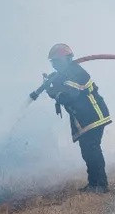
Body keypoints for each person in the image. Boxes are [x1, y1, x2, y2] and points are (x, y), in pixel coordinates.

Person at [40, 43, 111, 193]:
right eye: (53, 62)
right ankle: (93, 184)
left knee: (92, 149)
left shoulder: (76, 72)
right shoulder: (65, 74)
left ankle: (101, 184)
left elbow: (69, 95)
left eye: (57, 61)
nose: (55, 65)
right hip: (84, 118)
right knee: (87, 151)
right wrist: (50, 84)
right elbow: (61, 88)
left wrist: (52, 92)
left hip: (93, 116)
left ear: (67, 59)